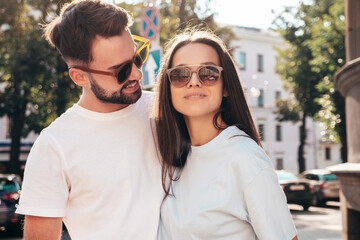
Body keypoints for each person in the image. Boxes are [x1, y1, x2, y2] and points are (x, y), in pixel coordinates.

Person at [15, 1, 163, 239]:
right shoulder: (54, 146)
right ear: (79, 76)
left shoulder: (165, 109)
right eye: (121, 71)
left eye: (138, 56)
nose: (137, 73)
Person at [154, 30, 299, 240]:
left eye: (208, 73)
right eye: (180, 75)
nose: (193, 82)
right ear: (168, 89)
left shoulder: (245, 157)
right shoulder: (173, 155)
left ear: (226, 87)